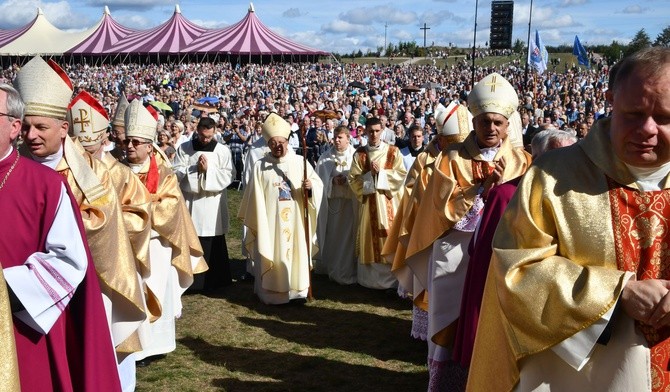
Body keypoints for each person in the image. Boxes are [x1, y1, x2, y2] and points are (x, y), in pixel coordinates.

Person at [468, 47, 670, 392]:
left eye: (665, 117)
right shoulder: (553, 177)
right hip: (580, 376)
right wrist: (616, 293)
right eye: (634, 114)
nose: (647, 129)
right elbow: (515, 269)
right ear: (610, 100)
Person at [15, 56, 146, 372]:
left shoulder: (93, 173)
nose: (31, 136)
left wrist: (48, 227)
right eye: (26, 126)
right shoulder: (12, 169)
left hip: (83, 286)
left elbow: (102, 222)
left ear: (63, 128)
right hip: (21, 289)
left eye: (41, 127)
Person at [404, 72, 531, 390]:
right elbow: (438, 208)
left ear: (507, 125)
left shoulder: (522, 161)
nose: (491, 129)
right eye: (485, 121)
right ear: (474, 121)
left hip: (498, 256)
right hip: (455, 254)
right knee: (450, 320)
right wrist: (481, 189)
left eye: (498, 123)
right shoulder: (450, 159)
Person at [0, 83, 121, 390]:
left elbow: (68, 259)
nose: (33, 134)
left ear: (13, 127)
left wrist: (6, 291)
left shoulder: (47, 185)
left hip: (19, 324)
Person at [453, 128, 577, 371]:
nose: (566, 165)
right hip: (513, 303)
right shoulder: (506, 195)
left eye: (571, 157)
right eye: (558, 157)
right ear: (536, 157)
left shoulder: (578, 197)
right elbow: (483, 259)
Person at [67, 90, 154, 388]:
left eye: (88, 145)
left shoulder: (119, 174)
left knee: (112, 325)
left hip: (114, 263)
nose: (82, 153)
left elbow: (140, 216)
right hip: (72, 266)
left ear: (103, 140)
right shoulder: (62, 172)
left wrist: (109, 226)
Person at [122, 99, 207, 366]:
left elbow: (170, 207)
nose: (130, 146)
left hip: (156, 244)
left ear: (149, 145)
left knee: (155, 291)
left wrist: (140, 209)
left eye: (136, 142)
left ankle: (156, 345)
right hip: (126, 246)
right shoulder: (115, 170)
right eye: (127, 141)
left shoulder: (164, 173)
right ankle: (132, 343)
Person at [383, 102, 472, 341]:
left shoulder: (472, 161)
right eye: (453, 144)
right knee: (430, 282)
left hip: (463, 236)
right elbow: (412, 192)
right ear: (442, 140)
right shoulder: (426, 160)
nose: (458, 151)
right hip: (431, 232)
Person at [239, 113, 323, 304]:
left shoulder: (299, 162)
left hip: (296, 221)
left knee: (296, 252)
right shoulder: (260, 166)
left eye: (282, 142)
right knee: (272, 250)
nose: (278, 146)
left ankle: (297, 292)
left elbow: (317, 186)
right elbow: (253, 197)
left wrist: (310, 189)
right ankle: (271, 295)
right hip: (269, 221)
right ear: (268, 144)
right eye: (274, 143)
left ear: (287, 142)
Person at [173, 117, 236, 291]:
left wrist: (208, 171)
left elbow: (229, 174)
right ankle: (191, 282)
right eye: (202, 135)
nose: (205, 139)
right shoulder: (185, 148)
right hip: (191, 202)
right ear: (197, 131)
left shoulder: (222, 151)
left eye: (208, 136)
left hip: (212, 203)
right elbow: (176, 171)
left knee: (212, 238)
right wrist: (195, 171)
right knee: (191, 237)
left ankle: (215, 279)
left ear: (214, 131)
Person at [348, 117, 407, 290]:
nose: (373, 134)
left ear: (382, 131)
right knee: (369, 236)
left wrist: (380, 174)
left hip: (388, 202)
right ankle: (369, 281)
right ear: (364, 132)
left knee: (389, 235)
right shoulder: (360, 154)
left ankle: (392, 280)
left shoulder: (393, 152)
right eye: (370, 131)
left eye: (377, 131)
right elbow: (353, 180)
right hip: (369, 204)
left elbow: (400, 176)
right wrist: (370, 176)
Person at [315, 125, 358, 284]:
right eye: (335, 137)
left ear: (348, 138)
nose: (337, 140)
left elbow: (359, 178)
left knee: (348, 239)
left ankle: (346, 269)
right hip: (331, 205)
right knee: (332, 237)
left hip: (349, 206)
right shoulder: (325, 157)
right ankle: (330, 267)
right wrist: (332, 181)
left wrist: (348, 181)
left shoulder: (355, 156)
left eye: (340, 137)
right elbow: (318, 181)